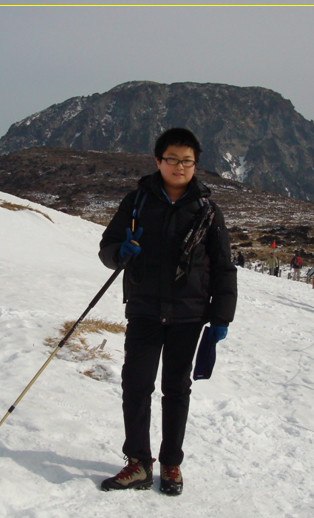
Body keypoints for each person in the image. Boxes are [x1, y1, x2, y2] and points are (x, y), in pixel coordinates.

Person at [97, 128, 238, 496]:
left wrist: (222, 317)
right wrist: (120, 253)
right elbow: (107, 247)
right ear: (158, 161)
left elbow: (224, 267)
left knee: (177, 388)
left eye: (187, 161)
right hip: (144, 309)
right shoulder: (138, 200)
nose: (180, 166)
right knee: (136, 385)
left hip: (189, 315)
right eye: (172, 159)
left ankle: (171, 463)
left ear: (196, 165)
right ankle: (139, 464)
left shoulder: (208, 209)